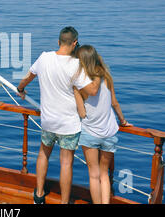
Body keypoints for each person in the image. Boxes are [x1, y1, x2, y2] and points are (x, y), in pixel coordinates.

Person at [16, 27, 101, 204]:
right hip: (69, 125)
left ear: (58, 42)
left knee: (43, 154)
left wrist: (20, 89)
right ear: (75, 43)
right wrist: (99, 73)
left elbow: (27, 77)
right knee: (66, 163)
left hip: (48, 121)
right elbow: (92, 91)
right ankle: (64, 202)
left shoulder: (44, 58)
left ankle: (38, 194)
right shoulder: (76, 65)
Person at [73, 45, 132, 204]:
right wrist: (123, 121)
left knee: (94, 174)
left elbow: (79, 103)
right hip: (109, 132)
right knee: (104, 174)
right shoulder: (107, 78)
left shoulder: (81, 83)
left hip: (89, 132)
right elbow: (115, 103)